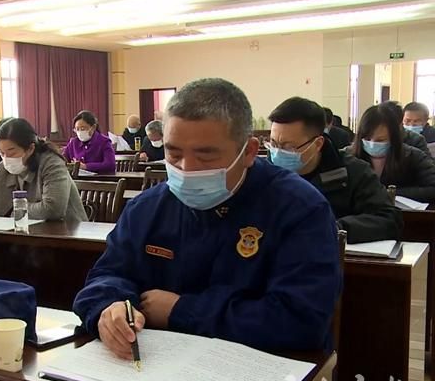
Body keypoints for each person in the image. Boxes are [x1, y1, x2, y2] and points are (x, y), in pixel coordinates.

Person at [73, 78, 341, 357]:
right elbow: (108, 274)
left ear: (249, 152)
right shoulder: (148, 207)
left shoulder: (299, 208)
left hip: (259, 367)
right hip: (158, 361)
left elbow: (301, 320)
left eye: (206, 157)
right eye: (173, 153)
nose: (187, 169)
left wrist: (181, 310)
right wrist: (109, 306)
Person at [267, 97, 401, 243]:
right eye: (273, 144)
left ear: (317, 144)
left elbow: (388, 219)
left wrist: (335, 227)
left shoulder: (354, 172)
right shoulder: (263, 173)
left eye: (288, 147)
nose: (278, 153)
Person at [352, 103, 435, 203]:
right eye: (367, 139)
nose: (372, 144)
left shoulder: (413, 156)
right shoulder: (347, 156)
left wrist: (391, 193)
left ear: (393, 137)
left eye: (380, 140)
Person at [63, 110, 115, 175]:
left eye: (83, 129)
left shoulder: (104, 142)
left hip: (99, 179)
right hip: (77, 179)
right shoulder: (73, 143)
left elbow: (110, 165)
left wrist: (85, 166)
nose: (80, 132)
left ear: (93, 127)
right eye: (77, 129)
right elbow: (62, 160)